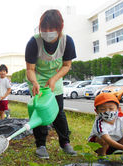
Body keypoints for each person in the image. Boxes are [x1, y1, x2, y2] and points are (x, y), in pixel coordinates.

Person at [25, 9, 77, 159]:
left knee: (59, 112)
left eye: (51, 28)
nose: (47, 32)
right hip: (37, 80)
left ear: (60, 27)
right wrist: (34, 82)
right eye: (44, 28)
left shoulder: (67, 41)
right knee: (39, 111)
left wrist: (54, 79)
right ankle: (41, 145)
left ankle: (65, 142)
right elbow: (30, 69)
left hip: (55, 79)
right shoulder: (33, 42)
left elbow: (66, 65)